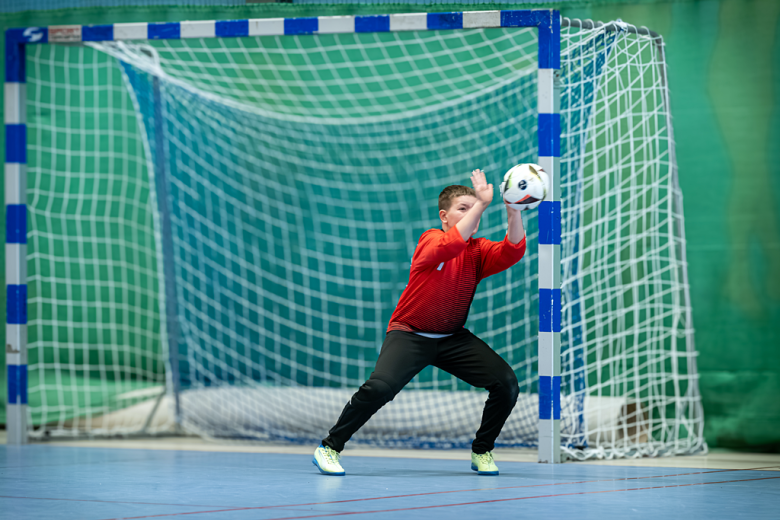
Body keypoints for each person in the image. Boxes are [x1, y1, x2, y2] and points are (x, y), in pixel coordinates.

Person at [313, 169, 526, 476]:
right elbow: (450, 246)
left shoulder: (477, 250)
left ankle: (482, 451)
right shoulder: (431, 239)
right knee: (379, 388)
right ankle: (329, 447)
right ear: (444, 216)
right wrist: (480, 203)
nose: (471, 213)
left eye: (473, 208)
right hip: (410, 334)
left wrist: (513, 210)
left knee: (505, 384)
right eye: (462, 209)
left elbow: (512, 251)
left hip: (452, 338)